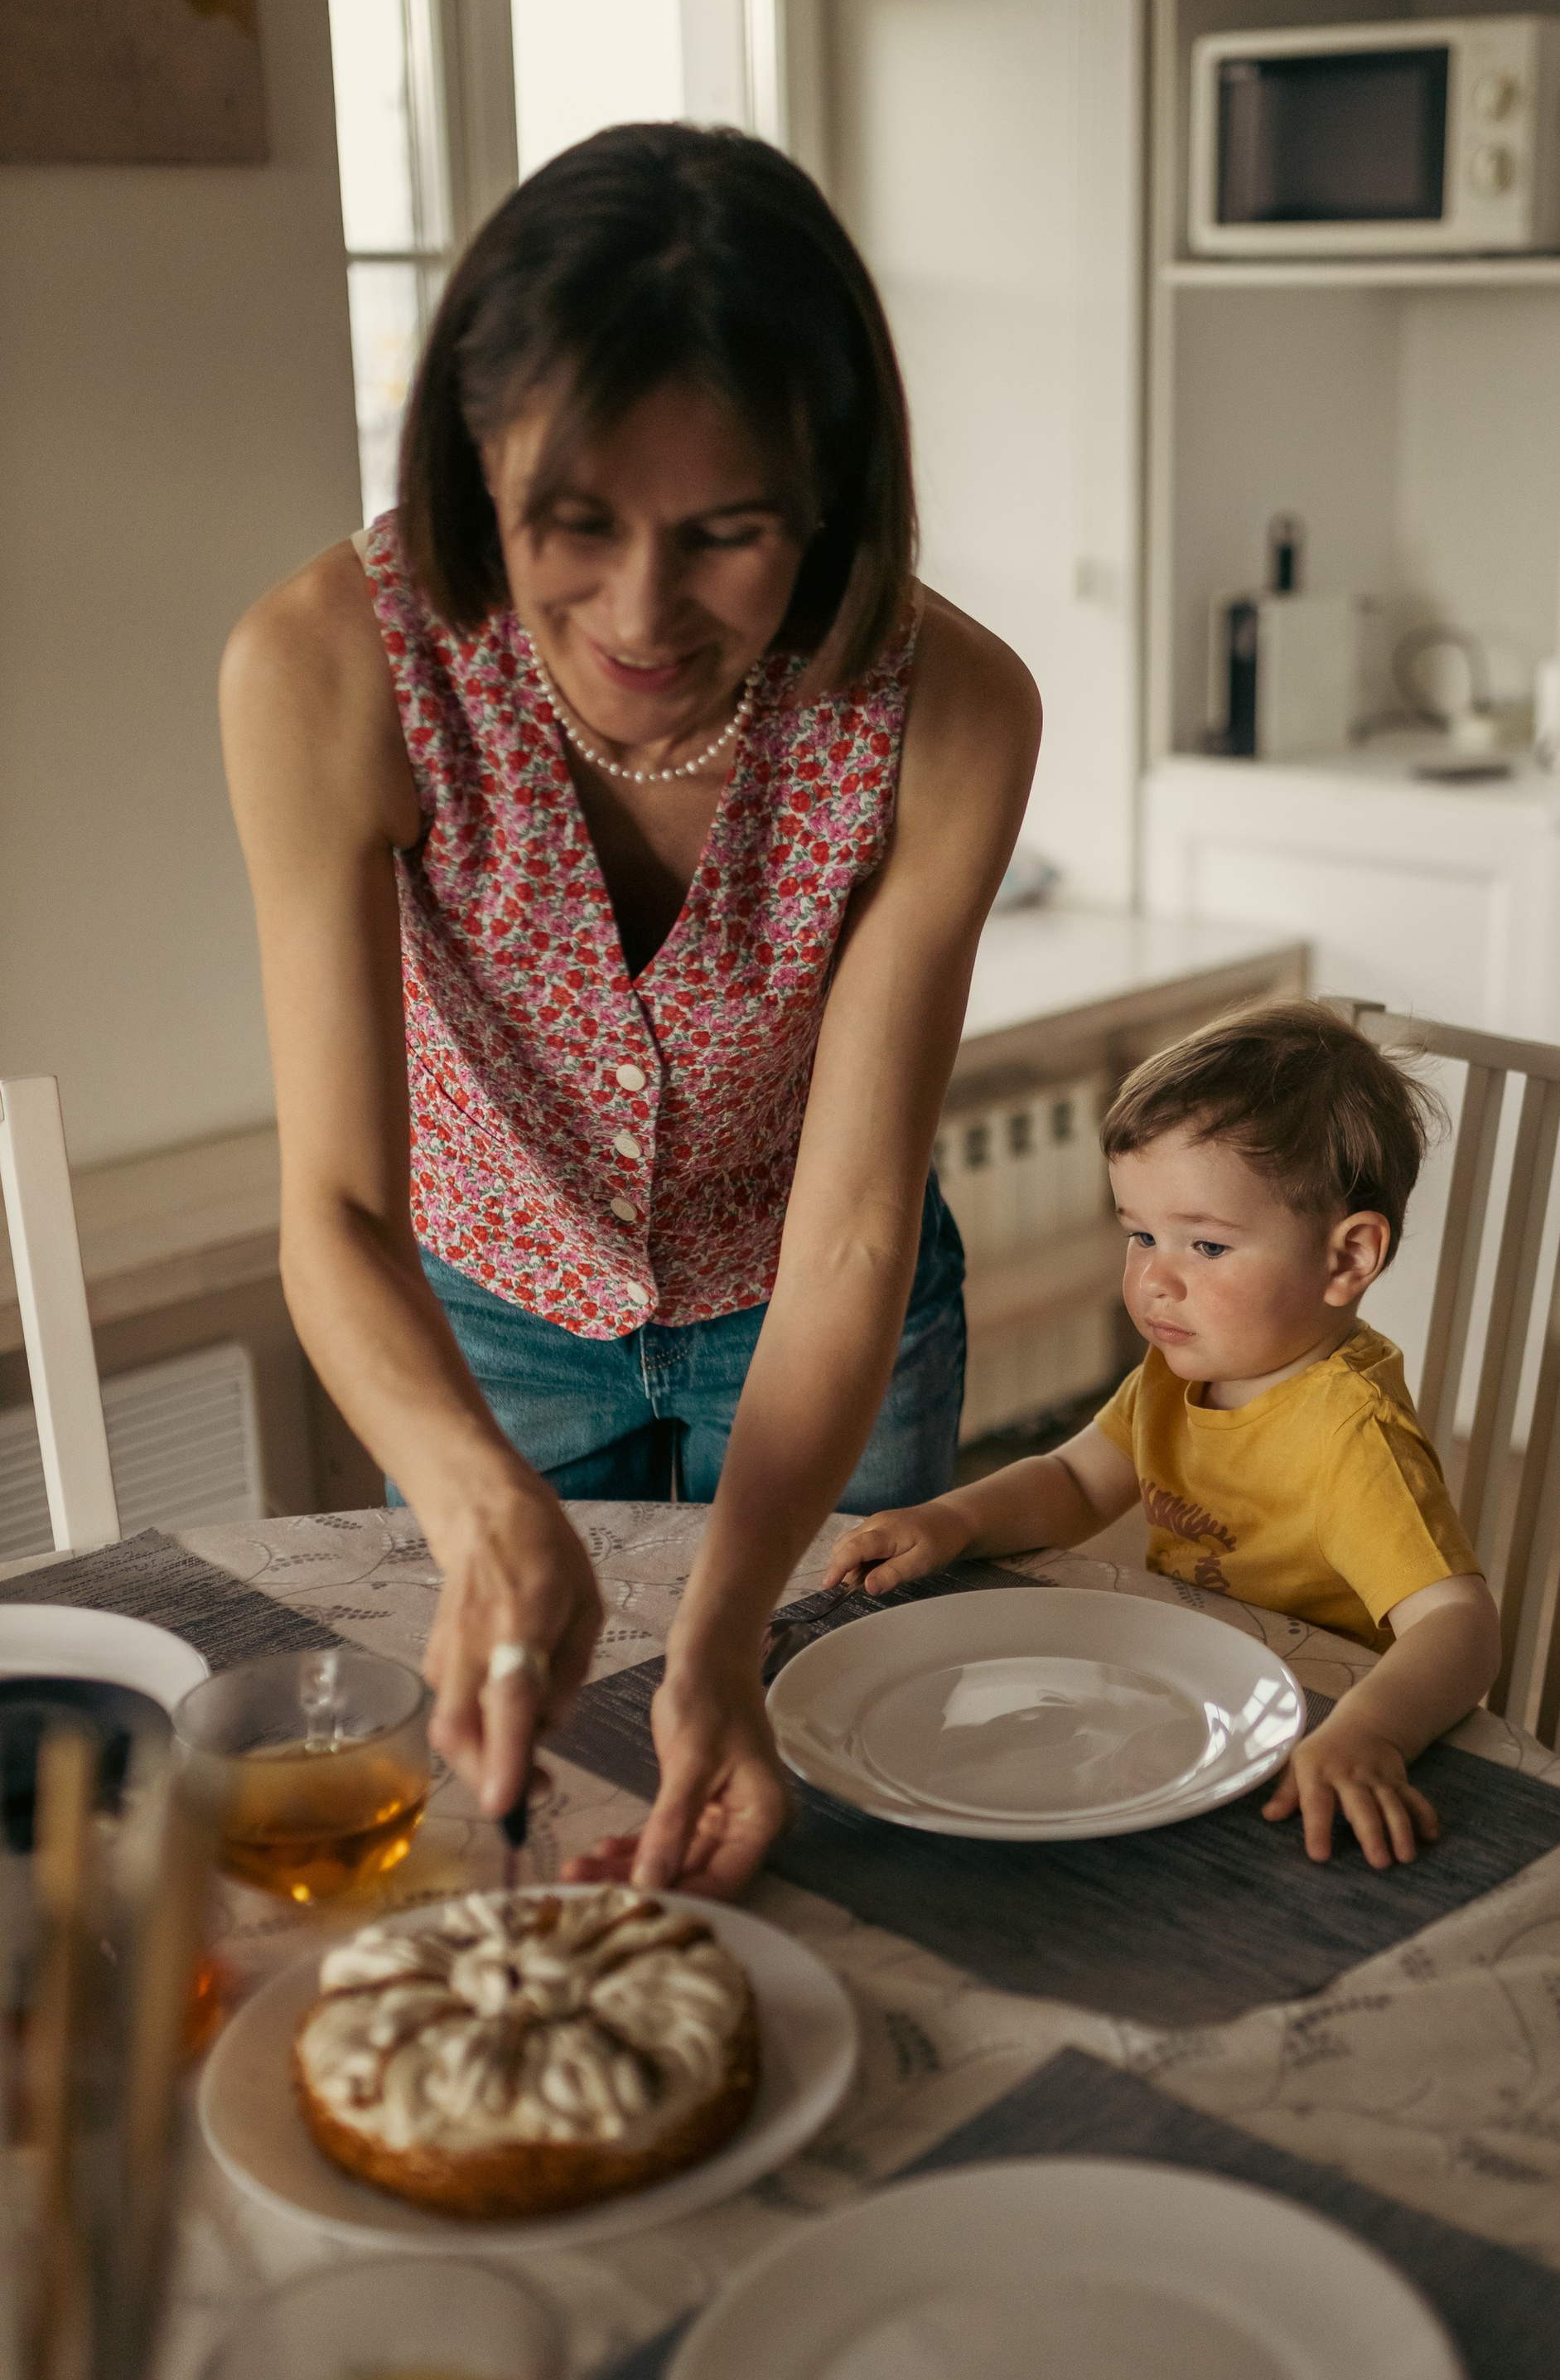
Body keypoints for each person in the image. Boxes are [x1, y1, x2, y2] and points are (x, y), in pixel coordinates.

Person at [222, 124, 1039, 1894]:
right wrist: (474, 1501)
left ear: (828, 494)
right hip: (485, 1313)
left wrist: (726, 1629)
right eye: (570, 525)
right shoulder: (324, 669)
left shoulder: (952, 715)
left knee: (837, 1817)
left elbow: (849, 1233)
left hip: (821, 1314)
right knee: (519, 1818)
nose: (642, 612)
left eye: (726, 534)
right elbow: (338, 1210)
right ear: (471, 465)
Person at [828, 1002, 1501, 1867]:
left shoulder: (1348, 1435)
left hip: (1319, 1745)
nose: (1154, 1281)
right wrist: (955, 1519)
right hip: (1198, 1710)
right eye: (1140, 1234)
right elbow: (1074, 1485)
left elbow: (1459, 1624)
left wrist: (1369, 1736)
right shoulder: (1180, 1374)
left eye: (1207, 1248)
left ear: (1347, 1260)